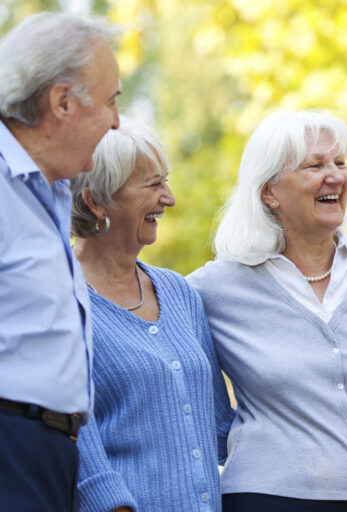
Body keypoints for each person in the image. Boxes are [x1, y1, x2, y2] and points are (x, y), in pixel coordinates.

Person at [187, 110, 347, 512]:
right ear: (269, 192)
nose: (335, 176)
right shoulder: (215, 286)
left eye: (340, 163)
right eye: (314, 165)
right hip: (267, 499)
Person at [69, 117, 234, 511]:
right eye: (153, 184)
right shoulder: (62, 298)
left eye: (166, 181)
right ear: (96, 200)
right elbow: (78, 440)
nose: (170, 198)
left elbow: (219, 427)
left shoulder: (179, 293)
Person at [0, 12, 120, 511]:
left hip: (49, 453)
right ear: (63, 102)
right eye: (112, 101)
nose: (117, 121)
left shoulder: (46, 191)